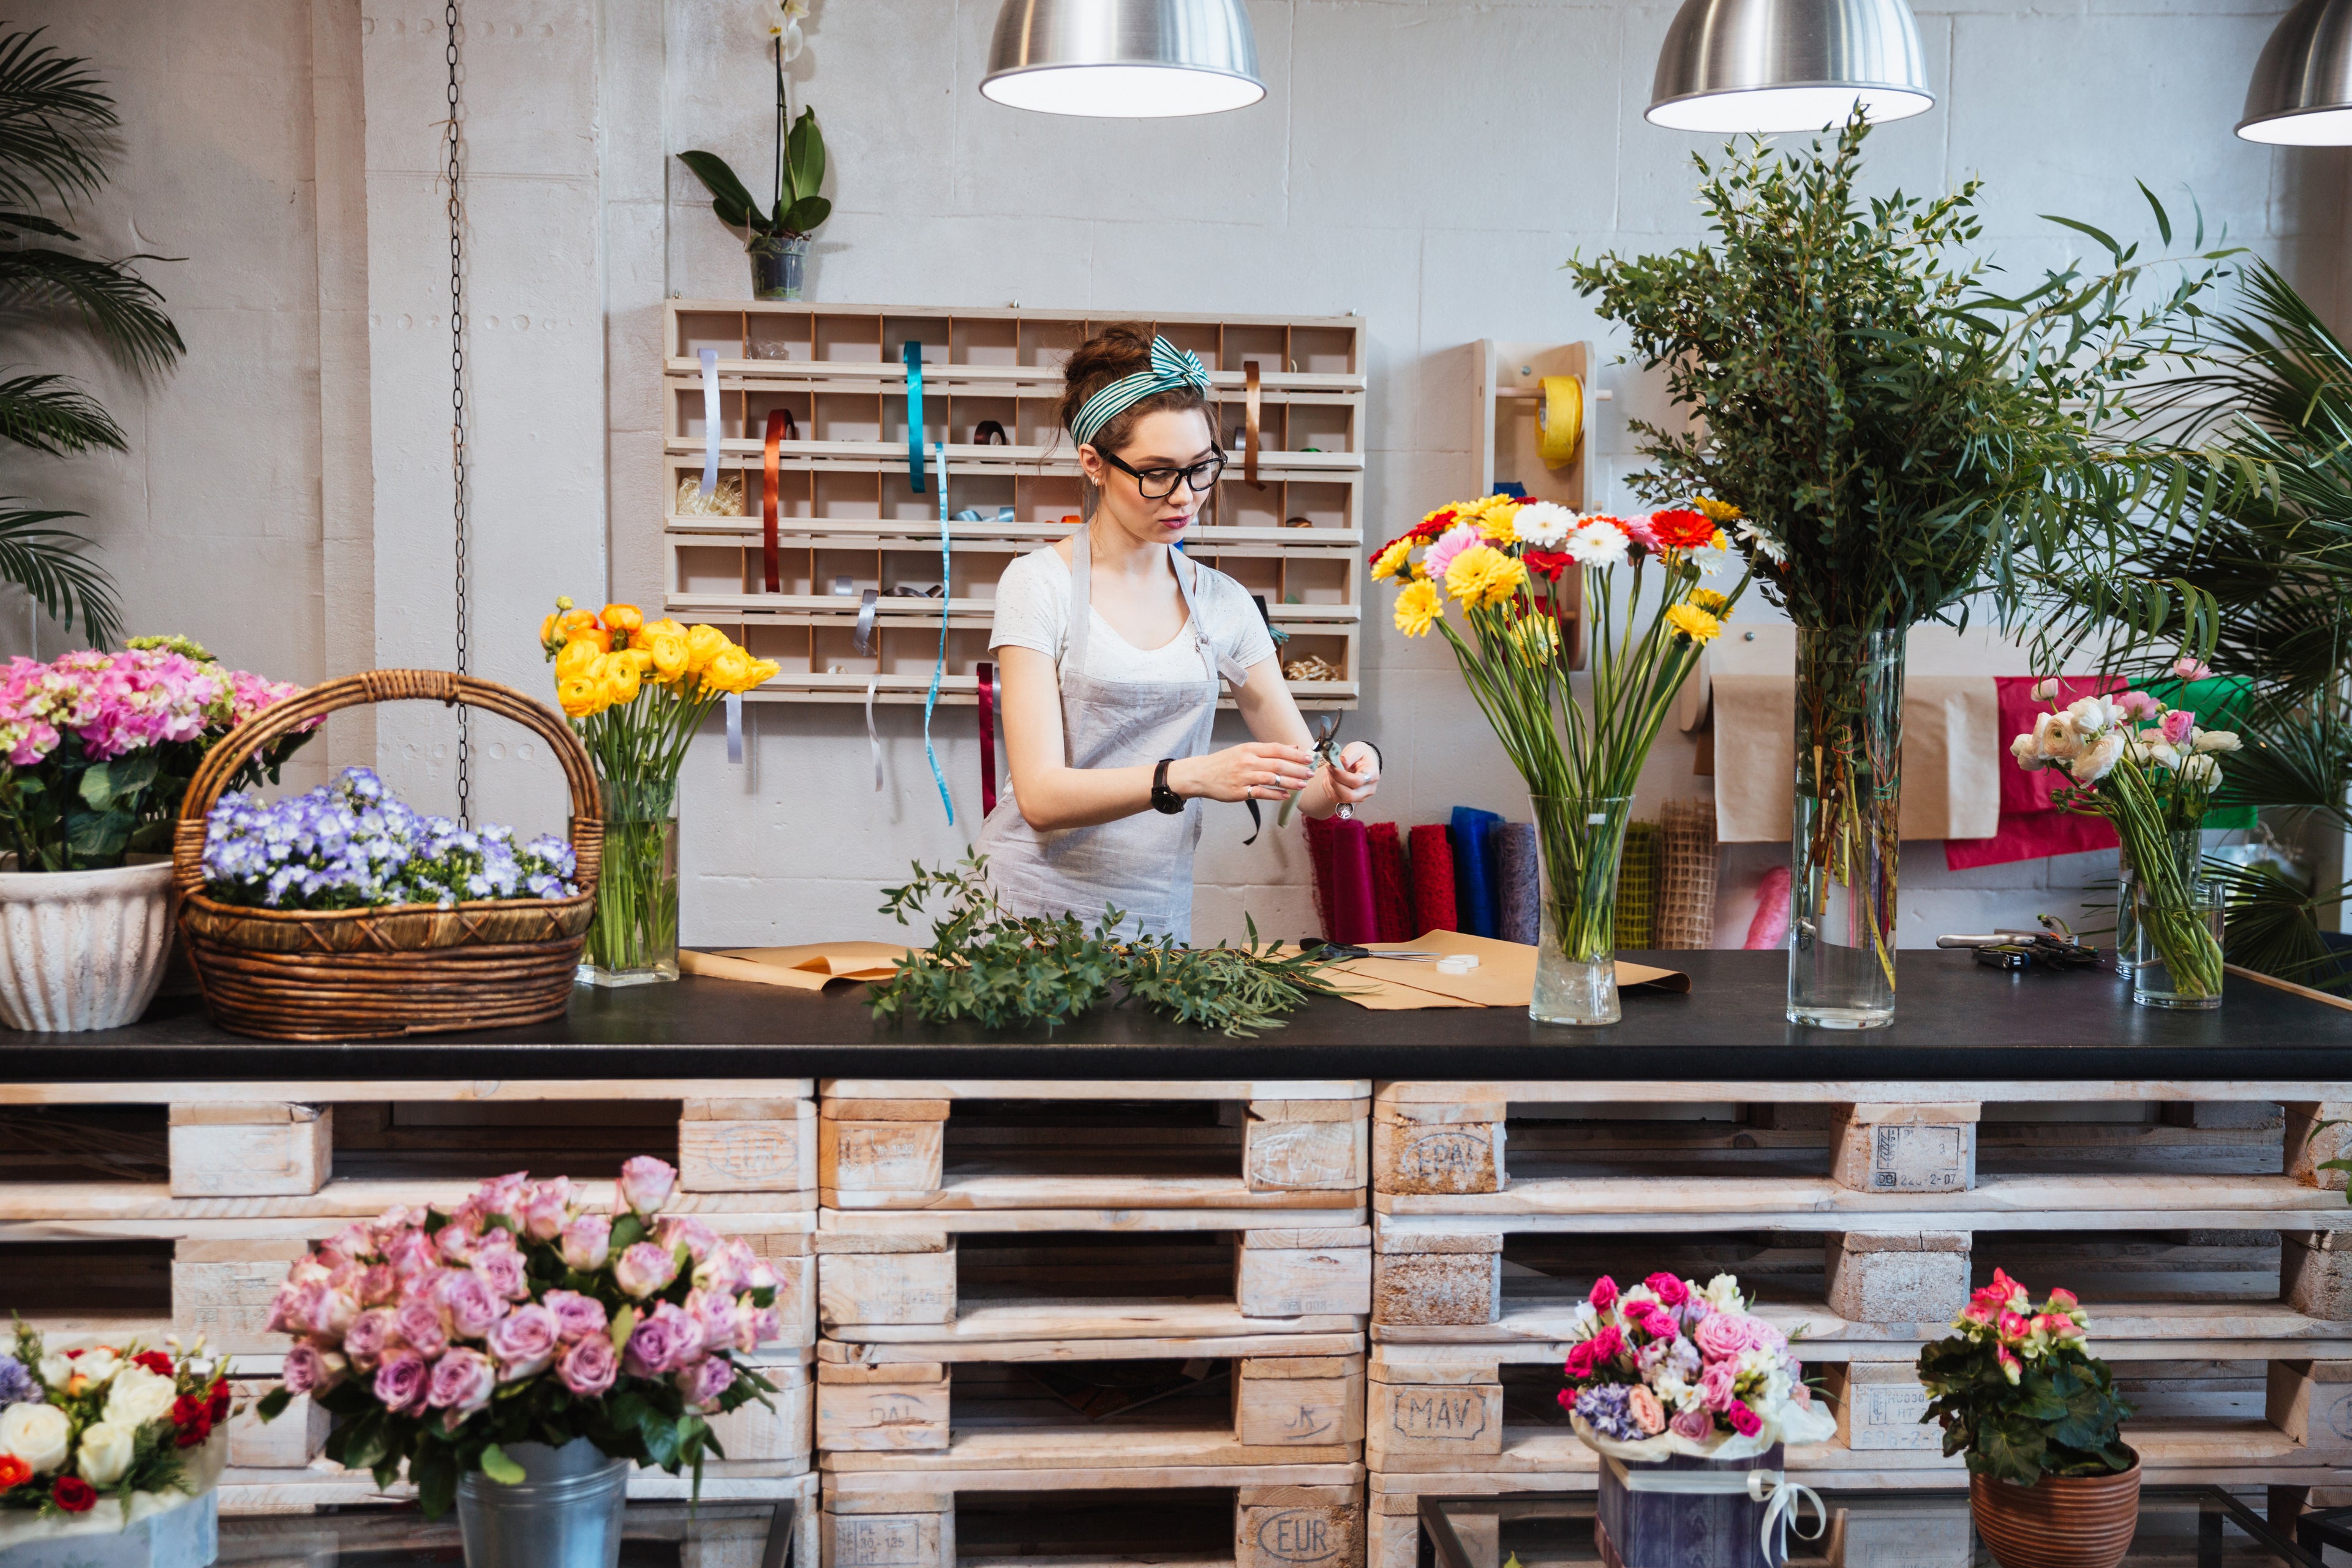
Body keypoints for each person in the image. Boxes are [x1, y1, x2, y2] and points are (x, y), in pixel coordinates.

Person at [976, 325, 1381, 941]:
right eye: (1157, 473)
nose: (1185, 496)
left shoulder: (1225, 604)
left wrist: (1348, 773)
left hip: (1154, 914)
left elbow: (1306, 786)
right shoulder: (1038, 585)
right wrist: (1188, 776)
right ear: (1094, 464)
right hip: (1030, 910)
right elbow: (1041, 795)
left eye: (1200, 469)